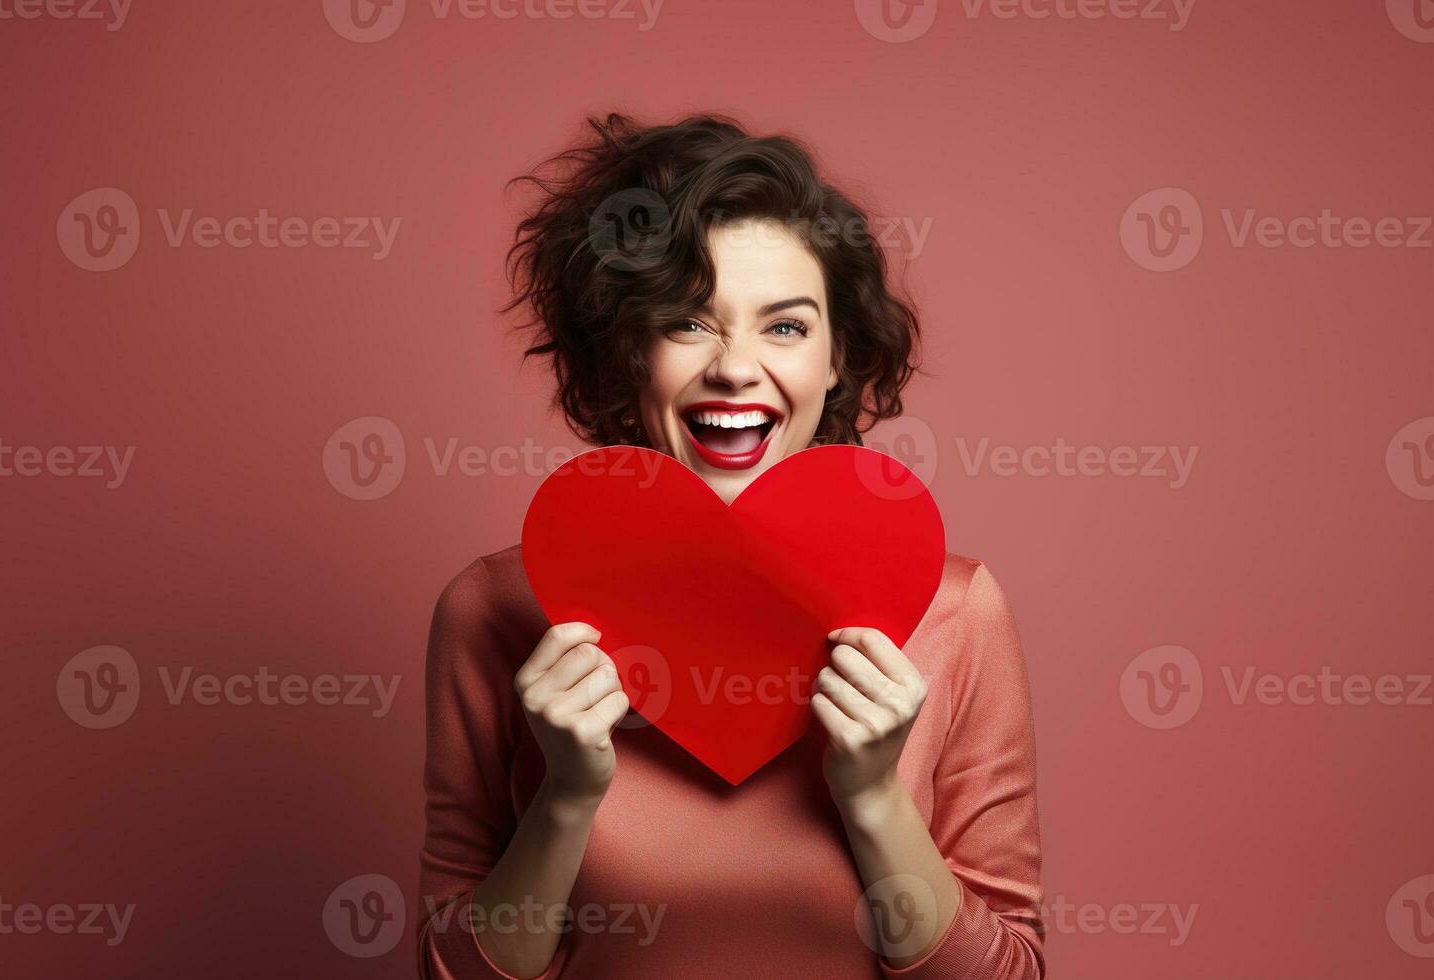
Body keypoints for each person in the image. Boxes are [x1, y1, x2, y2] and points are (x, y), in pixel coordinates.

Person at [417, 112, 1045, 979]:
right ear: (627, 353)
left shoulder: (956, 614)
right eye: (687, 322)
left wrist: (870, 798)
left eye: (784, 327)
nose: (735, 368)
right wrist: (563, 798)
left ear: (836, 360)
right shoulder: (494, 613)